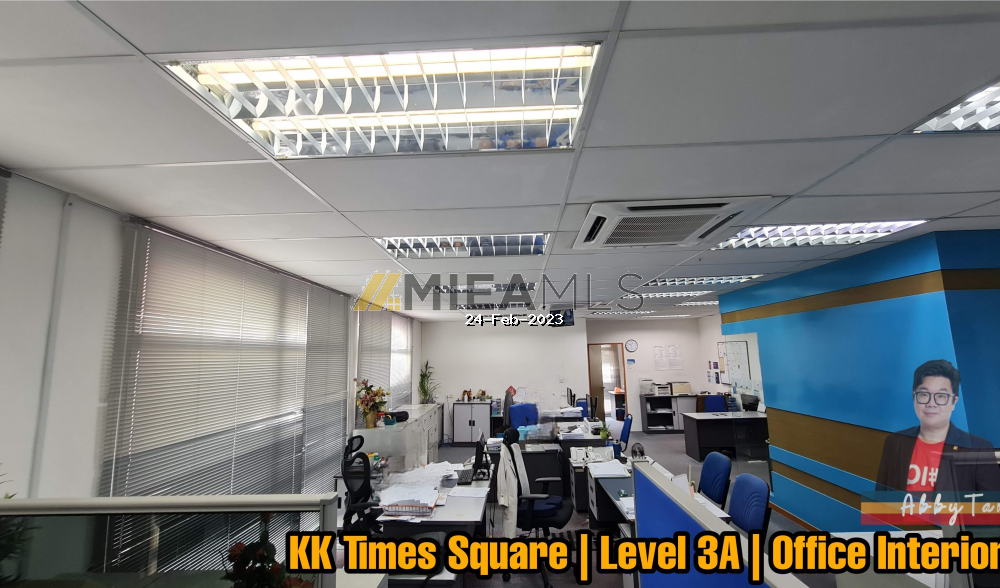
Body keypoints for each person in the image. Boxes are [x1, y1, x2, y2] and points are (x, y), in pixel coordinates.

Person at [876, 360, 1000, 493]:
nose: (931, 403)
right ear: (914, 397)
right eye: (924, 394)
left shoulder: (978, 449)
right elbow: (880, 498)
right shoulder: (894, 442)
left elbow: (993, 504)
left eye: (941, 396)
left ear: (954, 402)